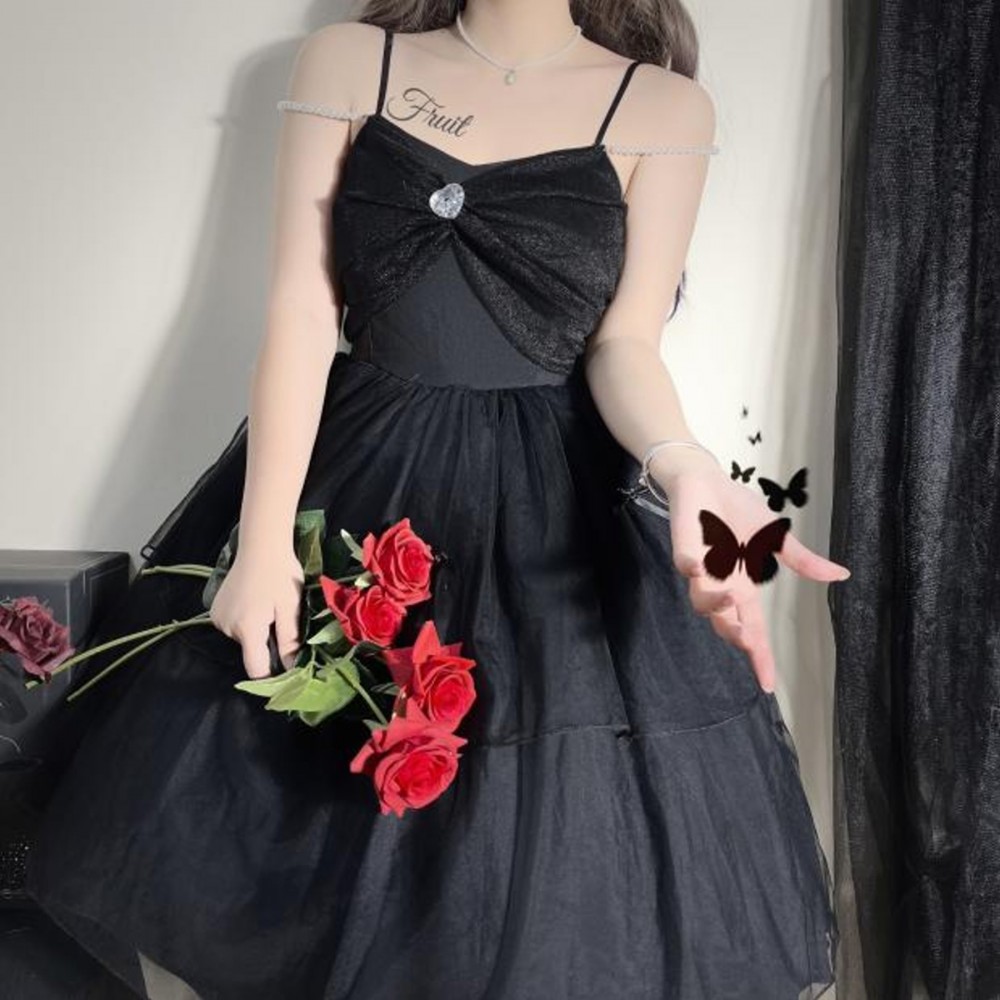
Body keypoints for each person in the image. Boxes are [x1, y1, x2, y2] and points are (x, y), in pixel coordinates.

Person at [25, 1, 848, 997]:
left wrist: (686, 467)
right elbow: (301, 310)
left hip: (551, 522)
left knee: (523, 841)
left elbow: (625, 343)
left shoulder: (663, 107)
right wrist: (265, 541)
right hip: (358, 481)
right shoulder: (349, 61)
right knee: (312, 815)